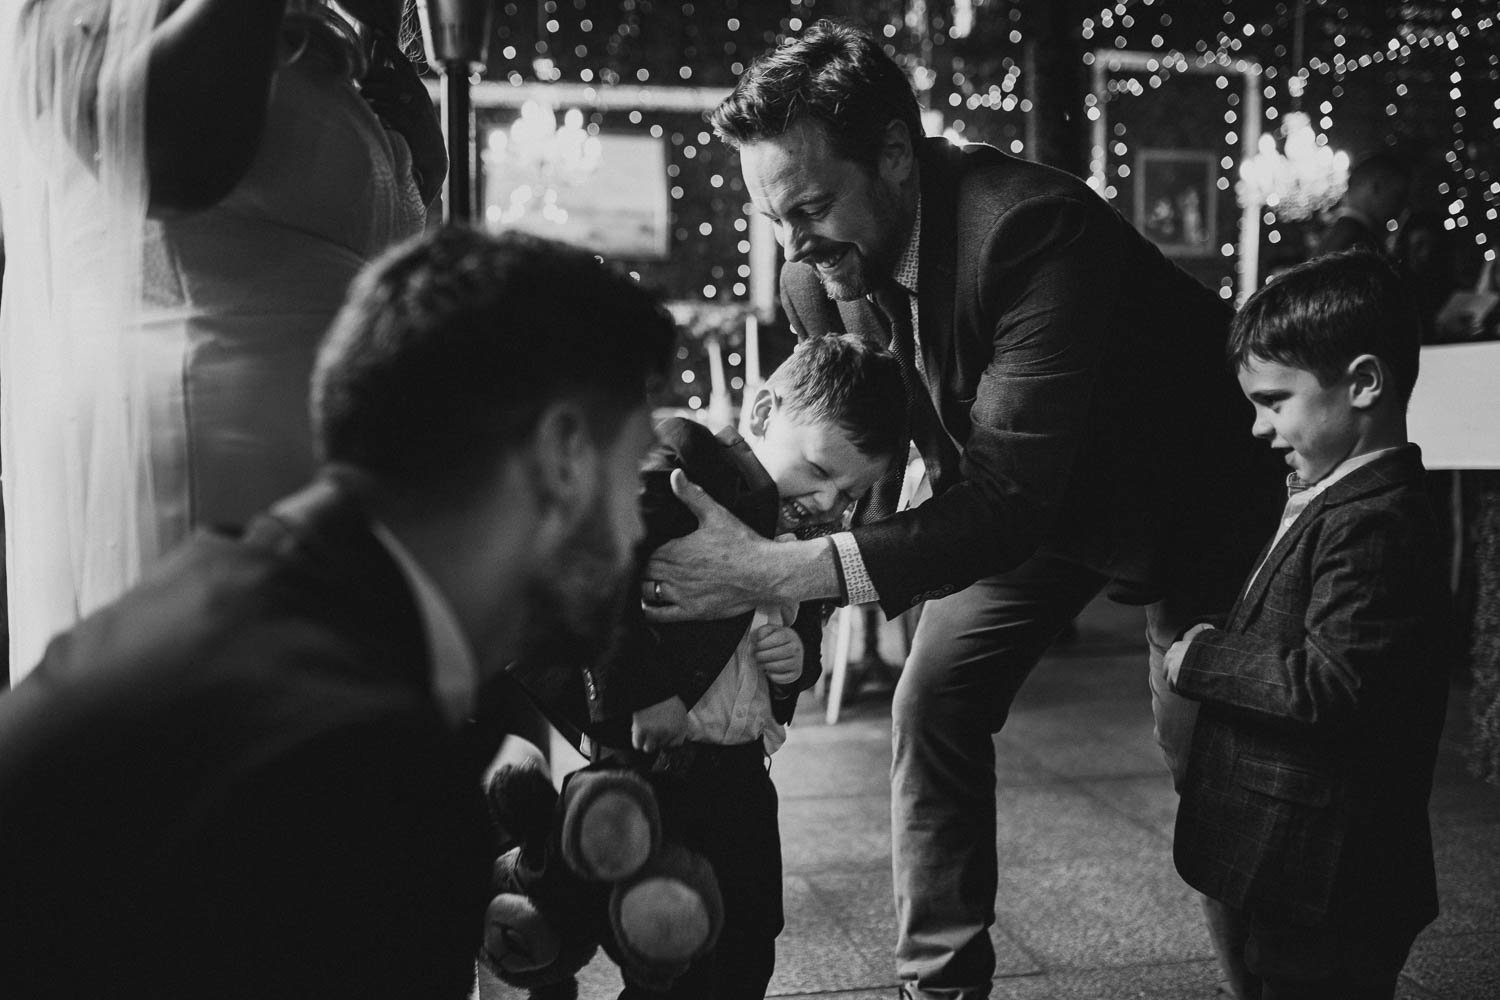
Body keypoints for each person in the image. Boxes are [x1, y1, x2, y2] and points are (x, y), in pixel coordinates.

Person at [641, 21, 1279, 999]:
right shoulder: (823, 273)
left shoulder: (1032, 230)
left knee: (1208, 767)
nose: (792, 246)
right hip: (1021, 503)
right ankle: (937, 985)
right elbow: (906, 415)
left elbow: (1007, 499)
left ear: (896, 153)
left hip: (1186, 504)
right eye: (772, 217)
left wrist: (779, 568)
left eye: (809, 206)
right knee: (932, 698)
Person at [0, 226, 676, 1000]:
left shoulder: (229, 584)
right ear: (564, 455)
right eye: (633, 476)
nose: (632, 531)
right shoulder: (362, 761)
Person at [0, 0, 444, 679]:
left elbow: (379, 247)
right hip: (205, 446)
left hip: (337, 470)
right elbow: (172, 156)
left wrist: (408, 130)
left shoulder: (323, 42)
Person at [498, 333, 908, 999]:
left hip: (742, 769)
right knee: (661, 942)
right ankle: (535, 883)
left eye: (851, 492)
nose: (831, 503)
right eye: (820, 470)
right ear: (767, 413)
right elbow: (593, 563)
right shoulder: (689, 465)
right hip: (650, 764)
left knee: (749, 933)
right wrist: (643, 690)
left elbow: (806, 611)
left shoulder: (805, 534)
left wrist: (797, 660)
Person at [1164, 250, 1449, 999]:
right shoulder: (1328, 491)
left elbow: (1333, 683)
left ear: (1363, 383)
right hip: (1297, 867)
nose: (1259, 427)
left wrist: (1202, 660)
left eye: (1273, 401)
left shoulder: (1378, 518)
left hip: (1329, 876)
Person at [1317, 151, 1411, 258]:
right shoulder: (1359, 245)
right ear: (1376, 187)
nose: (1403, 207)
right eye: (1399, 196)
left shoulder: (1336, 235)